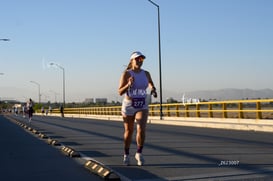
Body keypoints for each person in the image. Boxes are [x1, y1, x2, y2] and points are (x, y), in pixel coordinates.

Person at [118, 51, 157, 166]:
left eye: (141, 60)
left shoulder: (146, 73)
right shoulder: (126, 74)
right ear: (132, 61)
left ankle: (139, 153)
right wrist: (128, 85)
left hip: (142, 104)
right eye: (137, 59)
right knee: (129, 131)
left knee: (141, 128)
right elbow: (120, 91)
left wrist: (153, 89)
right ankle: (126, 154)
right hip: (129, 105)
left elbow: (150, 83)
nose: (140, 61)